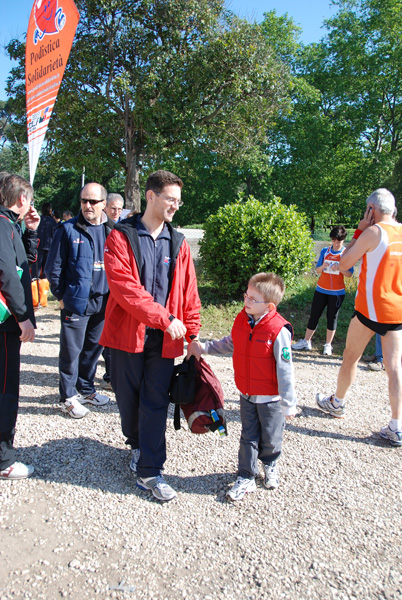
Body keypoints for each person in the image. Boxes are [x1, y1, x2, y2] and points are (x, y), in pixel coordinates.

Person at [100, 170, 201, 502]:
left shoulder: (178, 242)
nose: (175, 205)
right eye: (170, 199)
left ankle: (151, 470)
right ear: (151, 196)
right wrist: (164, 317)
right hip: (128, 336)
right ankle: (137, 444)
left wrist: (193, 334)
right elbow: (126, 290)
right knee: (128, 399)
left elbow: (188, 292)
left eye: (178, 200)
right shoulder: (121, 236)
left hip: (165, 339)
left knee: (155, 401)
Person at [188, 272, 297, 501]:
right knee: (248, 436)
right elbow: (230, 342)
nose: (246, 301)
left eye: (252, 299)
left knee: (270, 436)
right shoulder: (242, 319)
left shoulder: (278, 330)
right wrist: (204, 348)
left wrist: (289, 404)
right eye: (246, 295)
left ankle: (270, 463)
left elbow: (285, 370)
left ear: (269, 306)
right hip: (246, 394)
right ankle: (246, 476)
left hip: (271, 400)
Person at [316, 188, 402, 446]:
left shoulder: (373, 232)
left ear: (371, 211)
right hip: (396, 309)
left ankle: (337, 403)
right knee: (395, 367)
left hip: (371, 309)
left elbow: (343, 263)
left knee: (350, 358)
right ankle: (396, 427)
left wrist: (359, 231)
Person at [45, 183, 114, 418]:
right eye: (84, 201)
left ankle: (86, 389)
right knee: (71, 352)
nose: (87, 206)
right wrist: (61, 297)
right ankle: (67, 397)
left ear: (104, 204)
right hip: (75, 301)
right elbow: (53, 269)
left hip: (103, 303)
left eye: (93, 201)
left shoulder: (113, 230)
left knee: (93, 350)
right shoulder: (67, 230)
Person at [0, 173, 40, 479]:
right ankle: (4, 459)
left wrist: (30, 232)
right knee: (5, 390)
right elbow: (8, 275)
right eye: (30, 199)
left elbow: (23, 264)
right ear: (21, 199)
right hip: (5, 324)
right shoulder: (1, 224)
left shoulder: (10, 225)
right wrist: (24, 316)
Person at [292, 226, 353, 356]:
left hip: (337, 292)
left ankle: (328, 345)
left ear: (343, 240)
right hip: (321, 289)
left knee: (332, 318)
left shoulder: (346, 253)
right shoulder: (325, 251)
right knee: (314, 314)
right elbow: (317, 270)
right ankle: (306, 341)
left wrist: (340, 268)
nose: (336, 244)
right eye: (334, 241)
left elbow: (349, 274)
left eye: (339, 241)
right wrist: (324, 266)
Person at [35, 202, 57, 278]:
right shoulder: (52, 221)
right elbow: (54, 234)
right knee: (46, 267)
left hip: (39, 245)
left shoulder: (39, 219)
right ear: (50, 210)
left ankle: (34, 282)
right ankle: (44, 284)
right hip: (48, 246)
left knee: (36, 267)